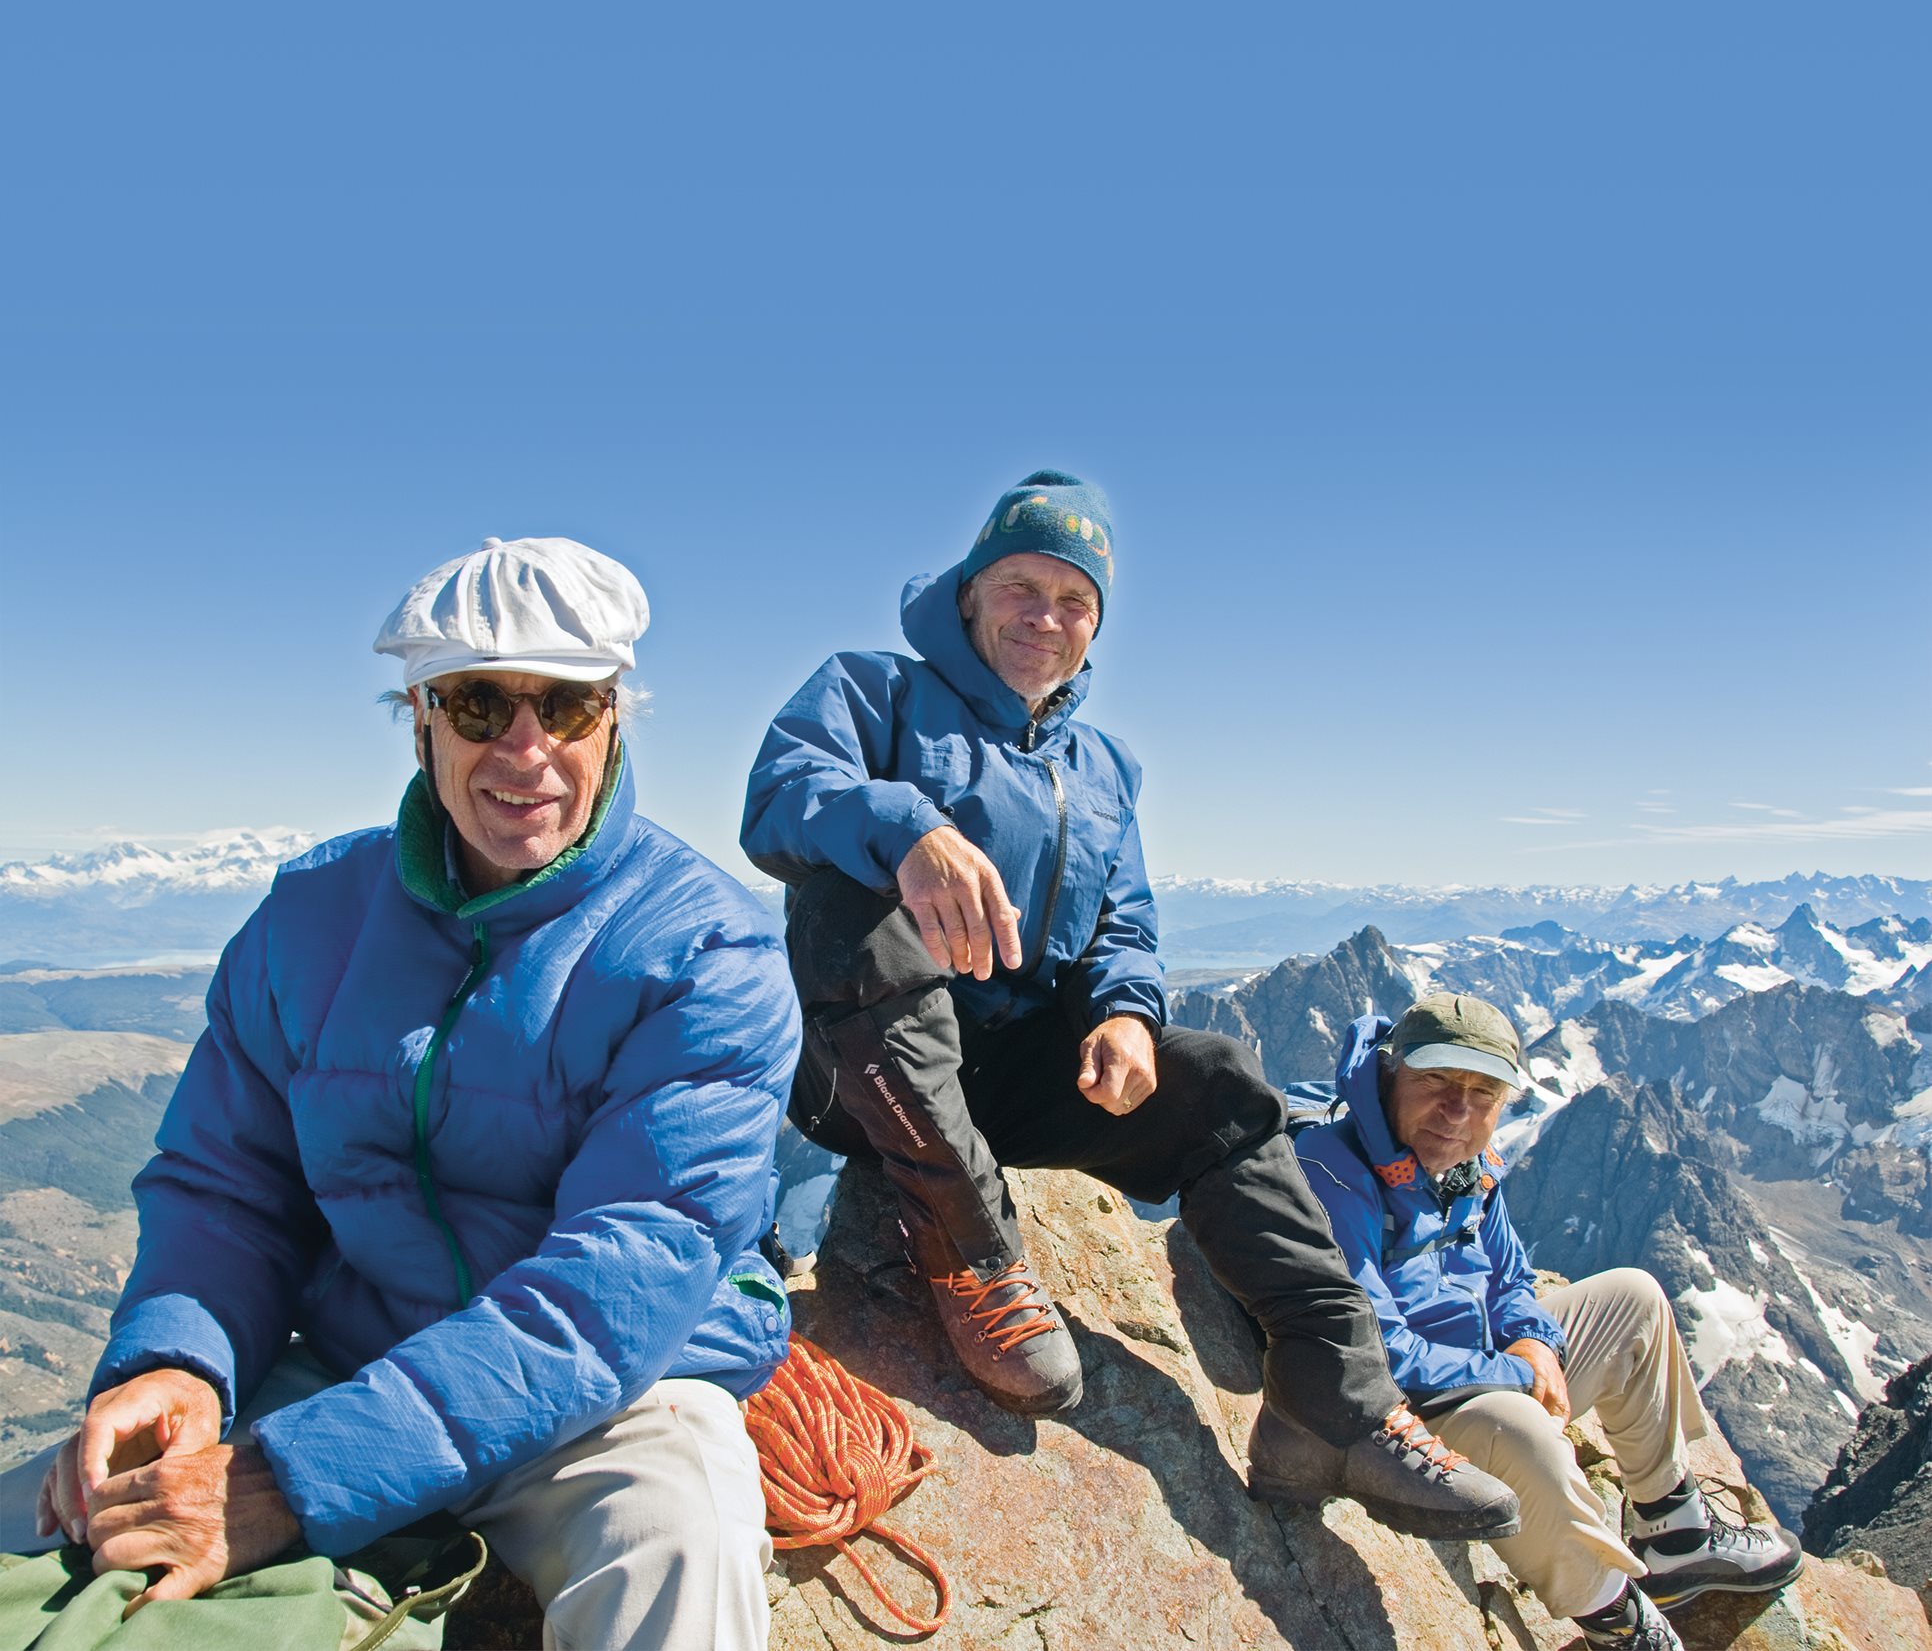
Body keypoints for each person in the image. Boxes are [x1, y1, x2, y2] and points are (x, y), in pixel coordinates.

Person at [3, 536, 800, 1651]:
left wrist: (293, 1479)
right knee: (38, 1528)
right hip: (357, 1353)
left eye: (567, 708)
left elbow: (621, 1279)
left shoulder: (703, 951)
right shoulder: (310, 917)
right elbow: (229, 1182)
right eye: (481, 706)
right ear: (420, 717)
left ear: (615, 717)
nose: (527, 751)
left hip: (614, 1396)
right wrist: (178, 1357)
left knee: (677, 1553)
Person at [740, 469, 1521, 1542]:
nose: (1044, 619)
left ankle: (1333, 1406)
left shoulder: (1104, 768)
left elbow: (1125, 925)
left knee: (1223, 1086)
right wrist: (907, 832)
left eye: (1075, 602)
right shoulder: (872, 692)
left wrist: (1124, 1017)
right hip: (865, 1064)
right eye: (1021, 587)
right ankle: (973, 1254)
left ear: (1096, 626)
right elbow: (781, 795)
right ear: (969, 595)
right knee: (847, 910)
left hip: (1005, 1077)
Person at [1293, 993, 1805, 1651]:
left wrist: (1534, 1339)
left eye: (1483, 1093)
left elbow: (1511, 1277)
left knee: (1634, 1298)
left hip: (1476, 1365)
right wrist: (1512, 1370)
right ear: (1393, 1073)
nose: (1459, 1111)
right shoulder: (1332, 1168)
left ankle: (1674, 1530)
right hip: (1396, 1413)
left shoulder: (1466, 1162)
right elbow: (1373, 1348)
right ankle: (1615, 1620)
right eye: (1437, 1083)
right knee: (1527, 1431)